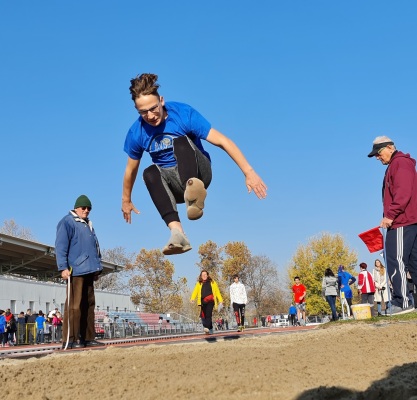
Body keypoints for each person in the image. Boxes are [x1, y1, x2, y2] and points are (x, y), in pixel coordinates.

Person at [121, 73, 268, 255]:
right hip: (173, 187)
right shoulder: (137, 132)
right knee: (149, 172)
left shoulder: (182, 114)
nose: (150, 116)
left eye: (153, 108)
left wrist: (249, 172)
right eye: (143, 112)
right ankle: (177, 233)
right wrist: (126, 200)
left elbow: (222, 141)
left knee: (180, 142)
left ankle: (194, 194)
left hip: (198, 172)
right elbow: (131, 169)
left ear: (161, 100)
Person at [368, 136, 417, 314]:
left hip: (402, 221)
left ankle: (402, 302)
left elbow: (403, 191)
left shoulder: (399, 164)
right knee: (414, 263)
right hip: (410, 220)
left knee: (395, 260)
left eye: (379, 153)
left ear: (389, 147)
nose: (377, 157)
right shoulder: (399, 164)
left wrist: (390, 215)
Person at [55, 194, 105, 349]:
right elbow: (61, 246)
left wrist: (98, 268)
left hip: (90, 269)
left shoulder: (88, 224)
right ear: (76, 208)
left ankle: (88, 337)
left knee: (89, 304)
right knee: (74, 305)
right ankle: (72, 338)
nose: (86, 210)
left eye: (89, 208)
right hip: (76, 270)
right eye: (84, 207)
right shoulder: (67, 222)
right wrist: (62, 267)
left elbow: (95, 247)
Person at [190, 270, 223, 334]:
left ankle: (207, 327)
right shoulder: (199, 283)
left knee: (208, 313)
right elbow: (195, 291)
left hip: (211, 300)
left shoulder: (212, 282)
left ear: (207, 275)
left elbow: (217, 291)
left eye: (205, 274)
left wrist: (220, 300)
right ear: (201, 276)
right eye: (203, 275)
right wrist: (192, 298)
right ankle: (210, 328)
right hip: (203, 301)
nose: (204, 276)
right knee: (203, 315)